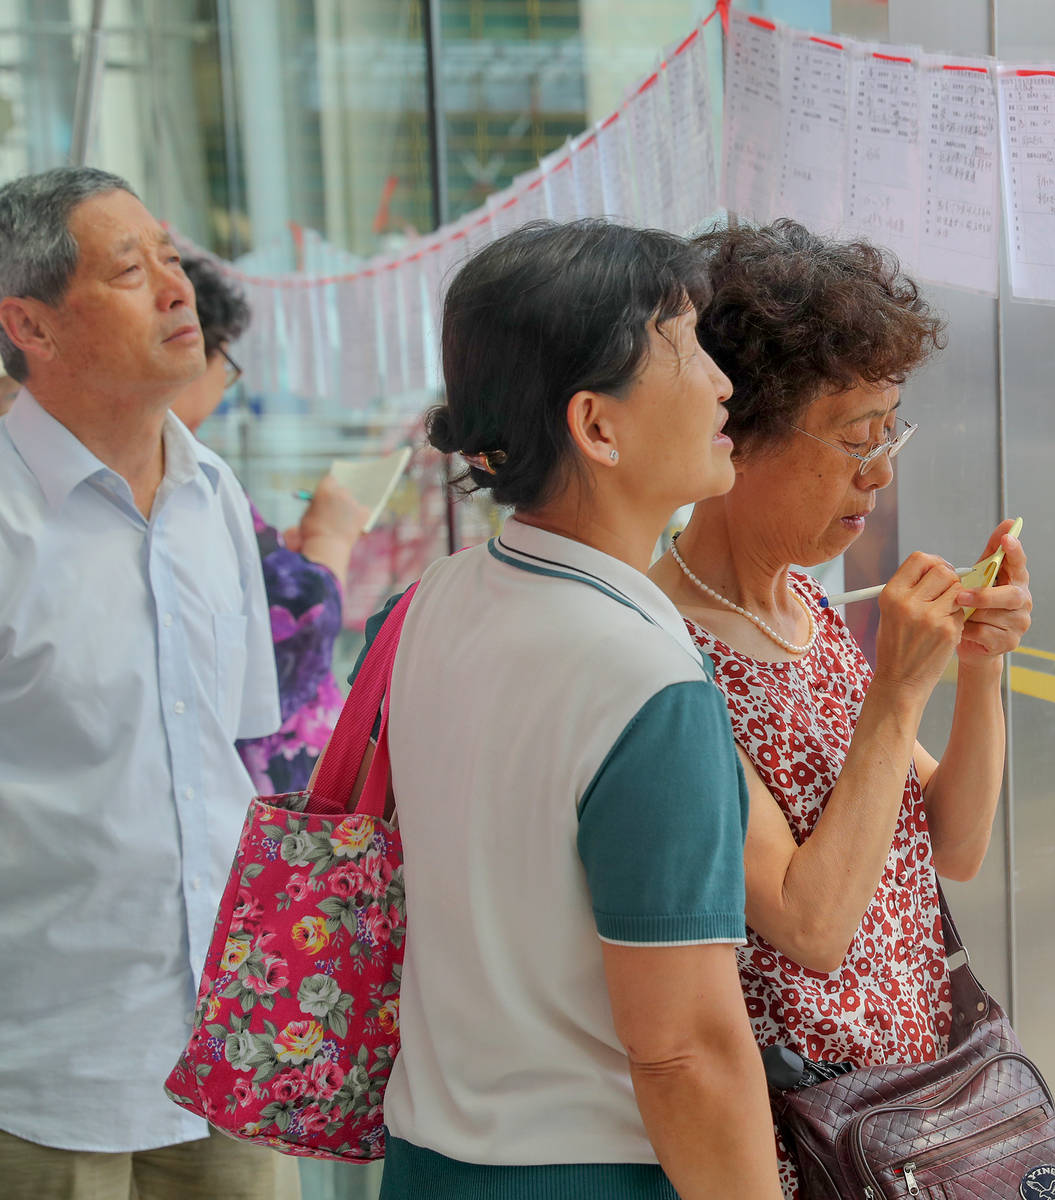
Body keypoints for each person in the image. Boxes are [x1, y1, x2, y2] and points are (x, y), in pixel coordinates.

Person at [363, 220, 781, 1199]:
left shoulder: (422, 607)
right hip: (588, 1173)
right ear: (598, 425)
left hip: (426, 1163)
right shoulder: (641, 678)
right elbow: (682, 1052)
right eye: (688, 352)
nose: (724, 385)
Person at [646, 220, 1033, 1196]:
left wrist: (980, 667)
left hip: (910, 1118)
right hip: (806, 1147)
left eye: (890, 431)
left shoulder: (805, 606)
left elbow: (952, 844)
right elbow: (807, 923)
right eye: (857, 437)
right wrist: (899, 690)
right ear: (734, 435)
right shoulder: (661, 650)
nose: (881, 472)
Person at [0, 168, 291, 1196]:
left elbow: (234, 757)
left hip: (227, 1051)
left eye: (170, 257)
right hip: (42, 1076)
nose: (177, 290)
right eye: (130, 270)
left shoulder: (215, 495)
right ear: (27, 324)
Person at [167, 255, 370, 794]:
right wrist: (330, 542)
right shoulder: (187, 473)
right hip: (247, 789)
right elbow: (295, 620)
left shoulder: (196, 472)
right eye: (225, 363)